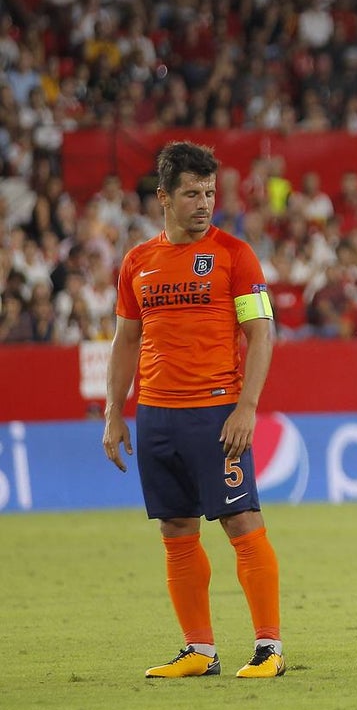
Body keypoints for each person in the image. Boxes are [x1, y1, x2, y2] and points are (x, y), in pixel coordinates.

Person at [102, 142, 285, 679]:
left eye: (209, 192)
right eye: (191, 194)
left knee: (242, 521)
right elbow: (125, 340)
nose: (204, 203)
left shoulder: (235, 254)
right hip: (156, 416)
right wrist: (116, 411)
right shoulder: (138, 262)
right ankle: (200, 652)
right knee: (176, 529)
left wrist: (246, 407)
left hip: (216, 412)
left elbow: (260, 334)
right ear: (163, 196)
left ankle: (270, 648)